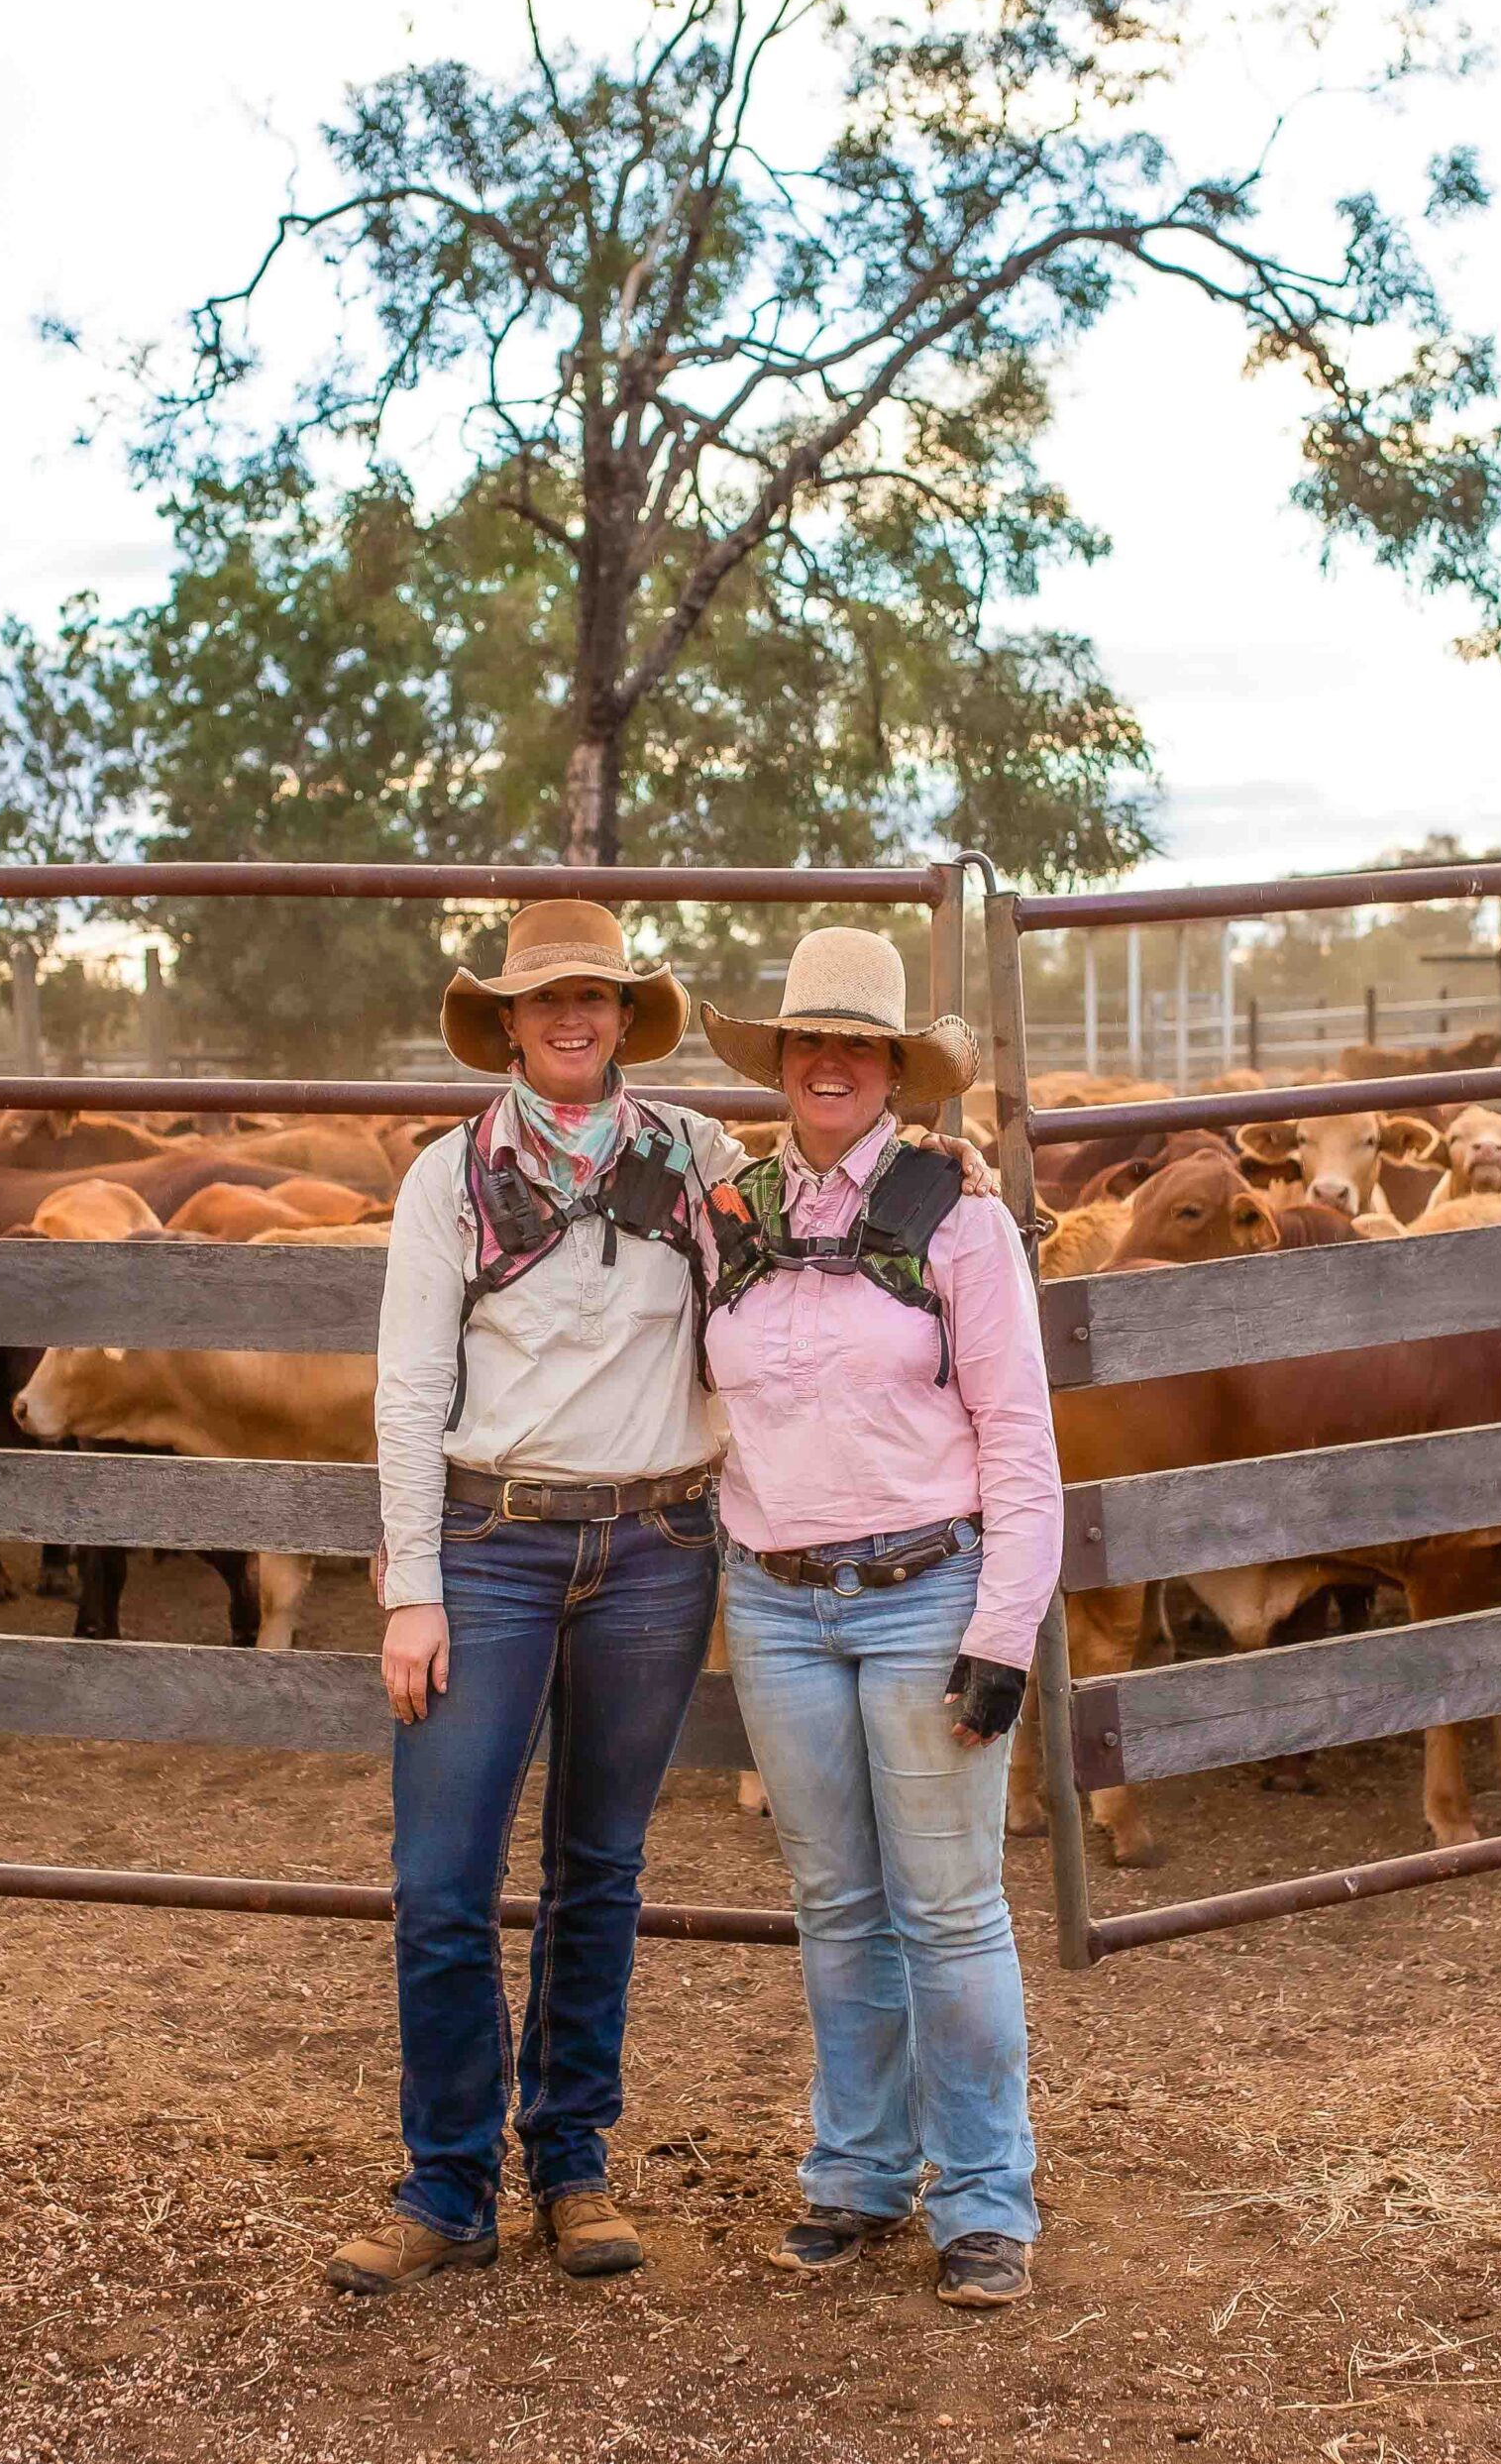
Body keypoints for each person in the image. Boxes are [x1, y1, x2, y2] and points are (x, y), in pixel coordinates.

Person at [326, 900, 986, 2299]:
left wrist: (942, 1161)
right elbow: (404, 1390)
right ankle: (445, 2182)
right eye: (544, 998)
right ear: (503, 1023)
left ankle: (570, 2166)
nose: (572, 1018)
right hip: (489, 1541)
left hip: (651, 1551)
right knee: (442, 1879)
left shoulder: (695, 1161)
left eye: (597, 997)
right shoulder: (446, 1179)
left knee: (599, 1872)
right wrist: (411, 1582)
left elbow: (836, 1198)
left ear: (628, 1019)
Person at [699, 925, 1063, 2311]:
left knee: (950, 1906)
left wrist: (1001, 1632)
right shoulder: (725, 1210)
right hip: (775, 1600)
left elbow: (1019, 1442)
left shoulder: (955, 1217)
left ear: (895, 1068)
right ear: (781, 1064)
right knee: (833, 1902)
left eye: (859, 1043)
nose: (831, 1062)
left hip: (927, 1594)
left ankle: (982, 2196)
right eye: (809, 1043)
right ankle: (855, 2173)